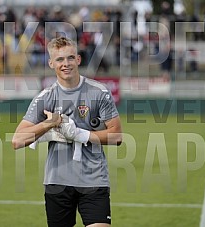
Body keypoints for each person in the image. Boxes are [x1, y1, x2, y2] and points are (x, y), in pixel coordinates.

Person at [12, 36, 122, 227]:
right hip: (57, 182)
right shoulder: (45, 97)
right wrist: (49, 124)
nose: (66, 63)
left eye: (70, 58)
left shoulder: (99, 92)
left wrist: (80, 134)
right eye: (60, 59)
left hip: (94, 179)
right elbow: (17, 140)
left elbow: (117, 136)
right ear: (51, 63)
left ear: (78, 59)